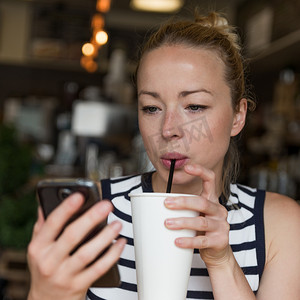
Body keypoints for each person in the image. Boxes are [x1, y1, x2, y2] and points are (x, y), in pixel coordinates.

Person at [27, 11, 300, 300]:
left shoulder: (279, 225)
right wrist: (44, 293)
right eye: (151, 108)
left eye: (194, 106)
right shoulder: (93, 215)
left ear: (238, 116)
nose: (168, 130)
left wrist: (221, 262)